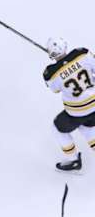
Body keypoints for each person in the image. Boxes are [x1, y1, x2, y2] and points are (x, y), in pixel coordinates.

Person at [43, 37, 95, 173]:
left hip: (77, 112)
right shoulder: (82, 54)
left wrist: (61, 67)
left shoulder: (50, 73)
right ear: (65, 47)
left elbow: (55, 89)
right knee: (88, 125)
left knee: (57, 128)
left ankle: (73, 160)